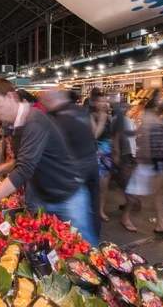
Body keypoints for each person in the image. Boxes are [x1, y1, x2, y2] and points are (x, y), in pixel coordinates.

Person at [0, 78, 98, 246]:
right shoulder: (18, 123)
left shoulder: (34, 121)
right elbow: (24, 158)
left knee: (84, 249)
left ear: (11, 96)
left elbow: (24, 169)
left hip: (67, 196)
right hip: (43, 196)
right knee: (47, 248)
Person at [39, 89, 100, 237]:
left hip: (74, 172)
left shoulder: (57, 119)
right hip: (91, 163)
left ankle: (87, 244)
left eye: (44, 101)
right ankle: (94, 235)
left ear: (50, 101)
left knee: (78, 221)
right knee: (92, 206)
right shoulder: (80, 111)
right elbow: (93, 132)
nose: (43, 105)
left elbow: (59, 149)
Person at [126, 91, 163, 236]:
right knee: (136, 193)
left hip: (162, 159)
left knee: (160, 194)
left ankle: (160, 224)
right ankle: (125, 217)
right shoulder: (149, 116)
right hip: (149, 160)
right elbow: (143, 136)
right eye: (162, 99)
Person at [112, 103, 139, 231]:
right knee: (127, 184)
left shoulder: (120, 119)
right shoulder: (119, 120)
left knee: (127, 183)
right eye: (125, 108)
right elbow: (117, 136)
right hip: (125, 154)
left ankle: (130, 204)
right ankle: (128, 211)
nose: (127, 110)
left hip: (127, 153)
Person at [90, 91, 114, 223]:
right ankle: (92, 209)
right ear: (94, 103)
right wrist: (102, 120)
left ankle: (101, 209)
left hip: (107, 152)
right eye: (101, 101)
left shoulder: (109, 117)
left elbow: (111, 136)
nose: (104, 104)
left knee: (105, 184)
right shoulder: (91, 116)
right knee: (95, 184)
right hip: (95, 153)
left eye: (105, 101)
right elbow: (94, 135)